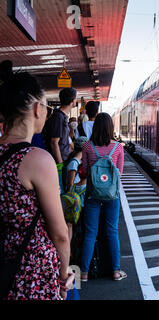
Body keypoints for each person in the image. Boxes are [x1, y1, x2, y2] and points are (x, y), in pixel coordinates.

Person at [0, 60, 73, 300]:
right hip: (31, 274)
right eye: (46, 107)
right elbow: (60, 233)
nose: (47, 112)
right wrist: (64, 272)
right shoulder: (37, 160)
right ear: (35, 108)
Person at [80, 113, 126, 282]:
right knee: (112, 231)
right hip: (112, 195)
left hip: (92, 194)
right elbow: (119, 173)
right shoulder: (118, 148)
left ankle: (84, 273)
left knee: (90, 233)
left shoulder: (87, 146)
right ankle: (115, 271)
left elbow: (84, 172)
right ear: (110, 128)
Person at [43, 87, 77, 164]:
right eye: (75, 98)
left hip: (64, 159)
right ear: (72, 100)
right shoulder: (58, 117)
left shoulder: (62, 116)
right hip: (59, 162)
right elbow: (54, 142)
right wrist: (60, 165)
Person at [64, 136, 89, 242]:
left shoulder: (79, 161)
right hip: (76, 198)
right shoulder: (74, 162)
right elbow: (70, 184)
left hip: (80, 196)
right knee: (74, 224)